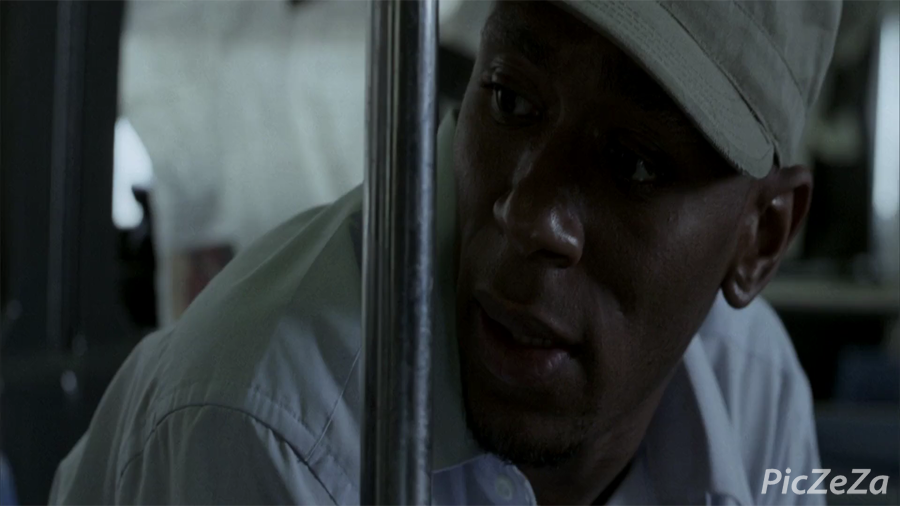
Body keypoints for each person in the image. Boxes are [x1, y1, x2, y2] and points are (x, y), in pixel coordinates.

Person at [48, 0, 841, 504]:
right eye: (511, 99)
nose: (530, 216)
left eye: (633, 164)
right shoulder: (275, 426)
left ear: (762, 237)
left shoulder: (754, 396)